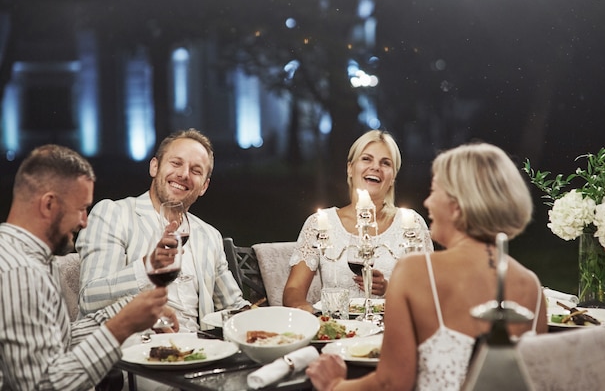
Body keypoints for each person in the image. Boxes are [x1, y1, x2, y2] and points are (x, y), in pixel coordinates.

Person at [305, 142, 548, 391]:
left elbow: (391, 384)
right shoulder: (531, 285)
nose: (428, 201)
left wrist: (334, 384)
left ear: (456, 206)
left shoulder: (416, 272)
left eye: (434, 191)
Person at [0, 144, 178, 390]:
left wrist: (130, 311)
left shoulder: (32, 258)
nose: (85, 222)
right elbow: (42, 386)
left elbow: (57, 343)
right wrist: (121, 327)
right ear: (48, 204)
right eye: (81, 209)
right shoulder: (21, 272)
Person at [76, 128, 249, 332]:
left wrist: (264, 320)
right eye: (176, 163)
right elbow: (90, 299)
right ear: (155, 167)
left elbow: (233, 306)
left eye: (196, 170)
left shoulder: (209, 235)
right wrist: (147, 269)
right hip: (133, 350)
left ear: (204, 186)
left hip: (199, 350)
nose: (184, 174)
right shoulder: (114, 214)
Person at [283, 130, 434, 312]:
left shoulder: (412, 224)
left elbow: (428, 293)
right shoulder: (319, 223)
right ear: (350, 168)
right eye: (366, 159)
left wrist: (390, 289)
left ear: (393, 177)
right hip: (338, 330)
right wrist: (311, 314)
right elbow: (293, 290)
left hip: (390, 328)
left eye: (385, 163)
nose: (375, 167)